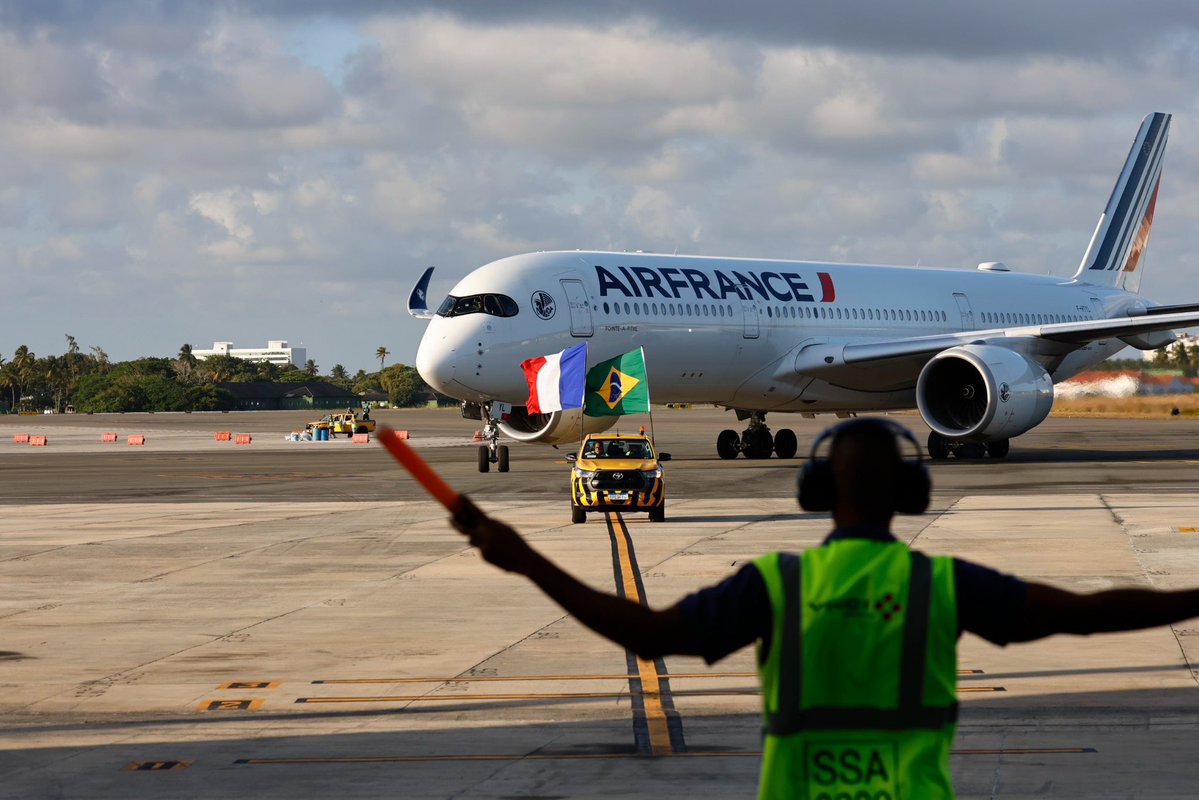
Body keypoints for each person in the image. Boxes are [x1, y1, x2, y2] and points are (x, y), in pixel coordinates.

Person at [450, 418, 1199, 799]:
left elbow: (642, 633)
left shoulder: (773, 585)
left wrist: (525, 560)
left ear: (815, 494)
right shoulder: (943, 585)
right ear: (911, 497)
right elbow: (1087, 614)